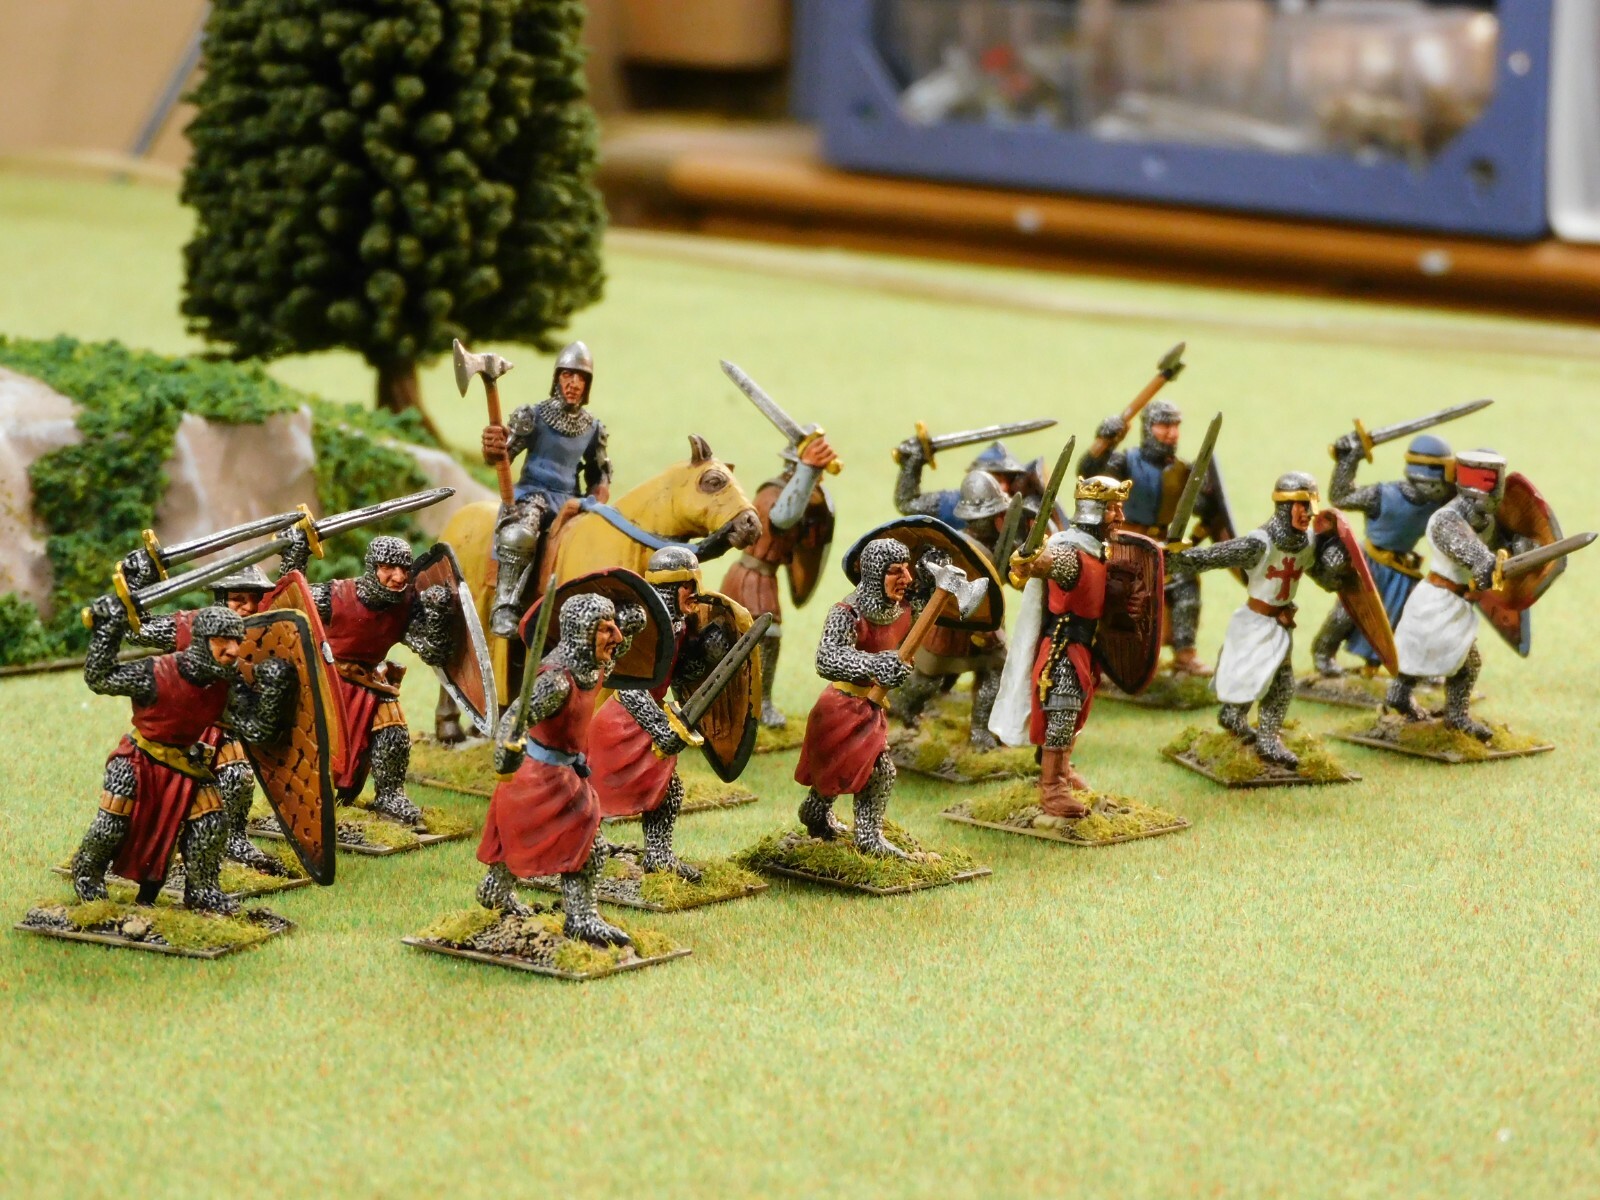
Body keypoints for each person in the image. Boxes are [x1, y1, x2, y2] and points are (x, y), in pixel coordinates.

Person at [68, 602, 297, 913]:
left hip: (186, 764)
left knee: (211, 823)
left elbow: (253, 730)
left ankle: (202, 890)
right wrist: (107, 631)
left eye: (236, 641)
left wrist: (273, 690)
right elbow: (100, 678)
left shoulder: (225, 683)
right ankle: (87, 875)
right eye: (222, 640)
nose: (232, 650)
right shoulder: (156, 672)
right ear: (201, 641)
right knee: (112, 824)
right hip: (138, 761)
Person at [475, 590, 647, 947]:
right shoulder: (555, 682)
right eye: (606, 629)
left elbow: (620, 650)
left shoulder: (594, 665)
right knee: (587, 847)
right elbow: (514, 719)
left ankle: (495, 891)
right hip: (537, 778)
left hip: (564, 773)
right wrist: (506, 751)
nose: (615, 636)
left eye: (614, 626)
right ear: (583, 633)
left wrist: (632, 620)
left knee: (520, 843)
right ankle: (581, 919)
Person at [1169, 473, 1351, 771]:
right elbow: (1213, 556)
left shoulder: (1307, 541)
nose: (1309, 513)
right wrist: (1179, 558)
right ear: (1284, 506)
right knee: (1255, 677)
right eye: (1303, 506)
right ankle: (1254, 730)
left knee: (1278, 681)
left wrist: (1336, 561)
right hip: (1254, 622)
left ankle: (1250, 726)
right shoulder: (1259, 543)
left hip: (1280, 623)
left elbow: (1325, 580)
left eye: (1312, 505)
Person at [587, 547, 737, 882]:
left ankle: (658, 855)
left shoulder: (678, 625)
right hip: (621, 721)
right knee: (594, 790)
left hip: (644, 717)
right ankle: (585, 847)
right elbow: (631, 686)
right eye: (688, 585)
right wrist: (659, 727)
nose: (695, 592)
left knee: (666, 790)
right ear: (672, 587)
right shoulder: (645, 627)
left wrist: (707, 653)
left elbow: (677, 673)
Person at [990, 477, 1135, 816]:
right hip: (1063, 648)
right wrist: (1030, 561)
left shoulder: (1098, 549)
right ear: (1093, 511)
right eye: (1113, 509)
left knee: (1074, 712)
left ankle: (1062, 769)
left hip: (1085, 646)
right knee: (1062, 711)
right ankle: (1052, 787)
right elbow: (1049, 563)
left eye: (1119, 508)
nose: (1120, 516)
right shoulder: (1071, 553)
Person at [288, 535, 454, 825]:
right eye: (389, 568)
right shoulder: (333, 596)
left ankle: (389, 795)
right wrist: (295, 554)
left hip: (369, 682)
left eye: (404, 569)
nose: (398, 577)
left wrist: (437, 613)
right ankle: (304, 796)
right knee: (319, 750)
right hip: (325, 682)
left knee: (393, 730)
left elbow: (432, 652)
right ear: (373, 567)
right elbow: (289, 605)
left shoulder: (406, 605)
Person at [1079, 398, 1228, 676]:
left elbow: (1206, 511)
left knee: (1186, 585)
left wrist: (1200, 527)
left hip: (1163, 548)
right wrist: (1103, 444)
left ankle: (1185, 654)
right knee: (1121, 596)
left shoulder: (1182, 471)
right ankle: (1114, 657)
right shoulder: (1123, 462)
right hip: (1124, 545)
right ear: (1149, 427)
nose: (1171, 433)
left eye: (1175, 426)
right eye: (1164, 426)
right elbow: (1090, 476)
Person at [793, 537, 922, 859]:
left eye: (907, 569)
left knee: (852, 770)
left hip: (871, 706)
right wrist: (876, 665)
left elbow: (910, 642)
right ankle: (867, 835)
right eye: (896, 571)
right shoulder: (847, 613)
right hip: (840, 707)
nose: (906, 578)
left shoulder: (902, 611)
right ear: (875, 573)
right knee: (868, 771)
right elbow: (827, 659)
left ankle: (817, 813)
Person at [479, 341, 612, 637]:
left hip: (571, 501)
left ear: (587, 384)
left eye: (581, 377)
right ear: (557, 378)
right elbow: (504, 455)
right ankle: (505, 606)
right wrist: (493, 447)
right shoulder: (533, 415)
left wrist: (597, 499)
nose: (574, 383)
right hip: (533, 494)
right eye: (568, 375)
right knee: (521, 535)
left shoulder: (593, 428)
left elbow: (599, 473)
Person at [1386, 450, 1511, 739]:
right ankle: (1453, 715)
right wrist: (1490, 564)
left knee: (1433, 656)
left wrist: (1524, 548)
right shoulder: (1446, 521)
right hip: (1437, 600)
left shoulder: (1484, 519)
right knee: (1454, 660)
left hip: (1457, 603)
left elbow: (1501, 547)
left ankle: (1403, 697)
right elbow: (1477, 558)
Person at [1311, 434, 1456, 675]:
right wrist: (1349, 459)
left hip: (1403, 571)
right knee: (1349, 613)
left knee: (1417, 619)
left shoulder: (1442, 502)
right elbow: (1341, 496)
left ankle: (1417, 669)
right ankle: (1322, 653)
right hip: (1369, 565)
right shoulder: (1382, 495)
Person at [718, 435, 836, 728]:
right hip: (752, 576)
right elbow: (783, 517)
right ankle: (758, 703)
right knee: (764, 638)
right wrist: (807, 471)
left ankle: (752, 701)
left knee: (755, 638)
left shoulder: (800, 495)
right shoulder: (772, 493)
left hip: (762, 576)